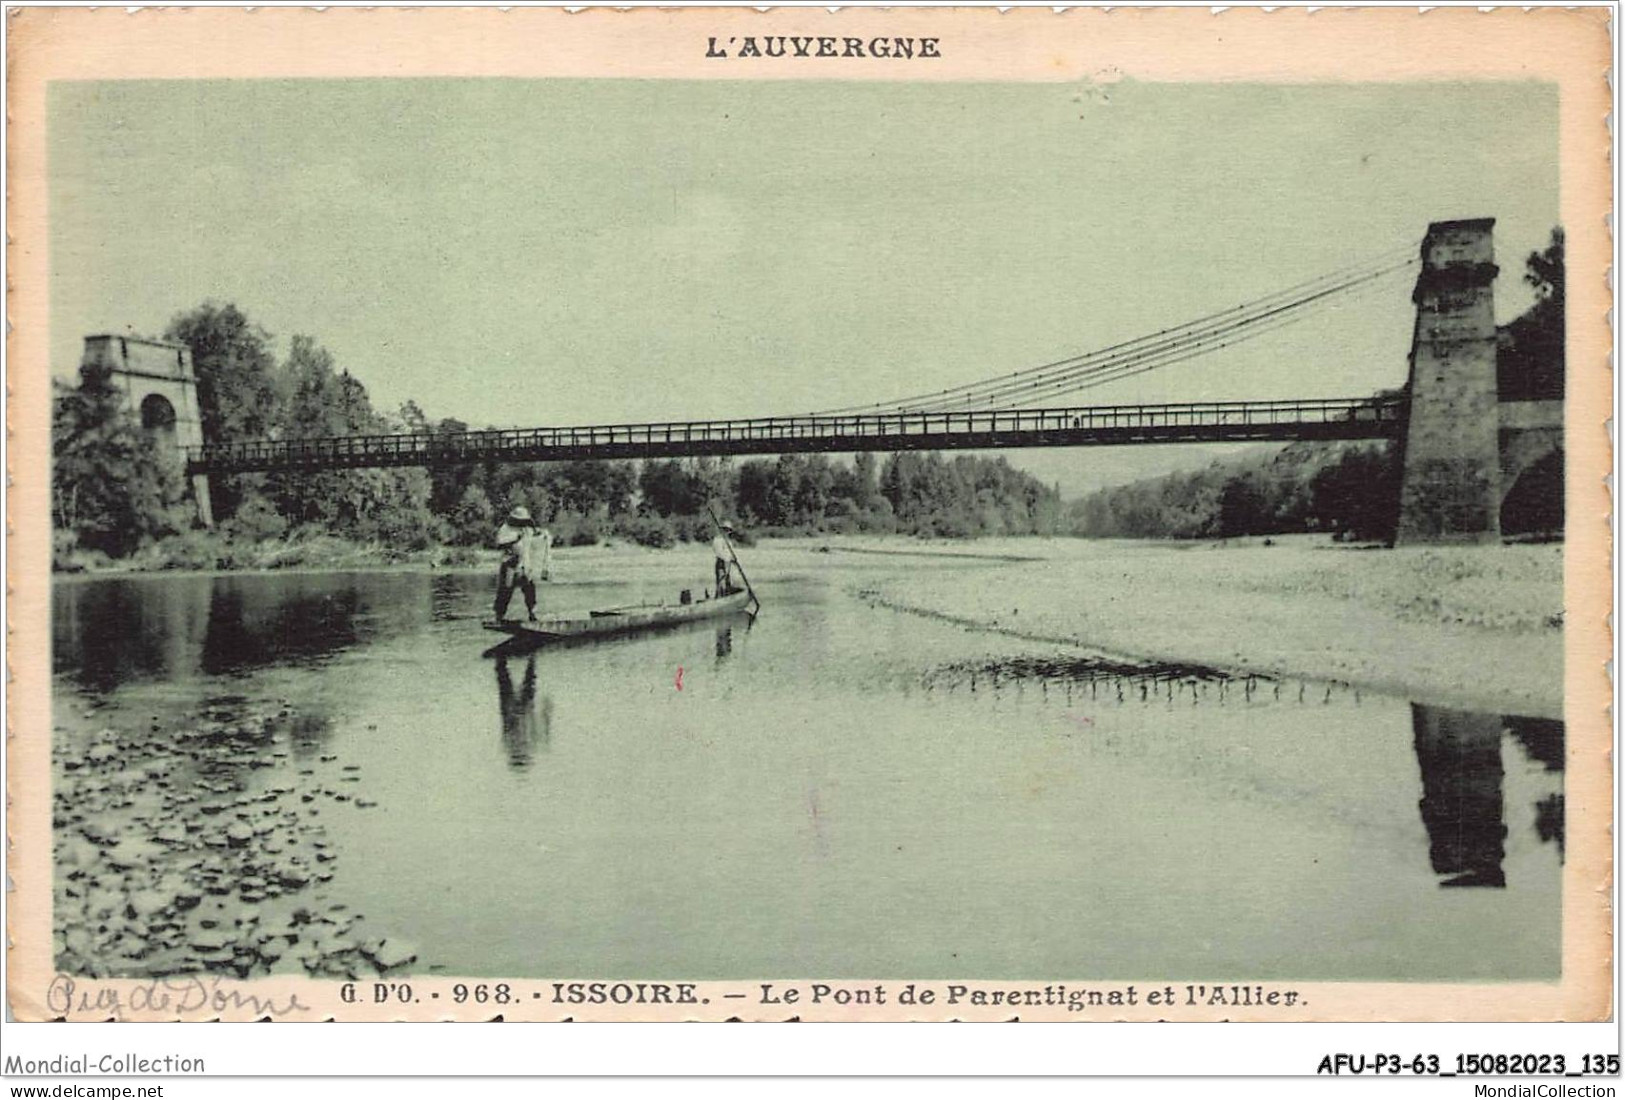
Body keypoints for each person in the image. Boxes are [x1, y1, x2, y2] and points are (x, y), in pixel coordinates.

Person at [494, 505, 551, 620]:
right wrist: (515, 539)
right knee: (505, 590)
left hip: (524, 564)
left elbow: (536, 534)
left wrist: (542, 534)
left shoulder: (527, 529)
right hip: (509, 564)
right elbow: (499, 544)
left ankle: (532, 613)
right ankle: (499, 616)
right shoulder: (505, 529)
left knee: (529, 589)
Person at [712, 521, 738, 596]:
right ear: (722, 530)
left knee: (728, 581)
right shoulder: (717, 540)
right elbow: (718, 552)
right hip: (721, 562)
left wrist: (733, 559)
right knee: (721, 582)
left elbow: (730, 553)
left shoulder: (729, 541)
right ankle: (719, 598)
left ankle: (727, 596)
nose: (727, 532)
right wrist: (726, 559)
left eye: (728, 530)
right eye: (725, 530)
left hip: (728, 563)